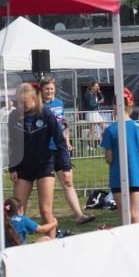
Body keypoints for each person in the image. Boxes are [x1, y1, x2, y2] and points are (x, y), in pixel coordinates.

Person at [7, 82, 68, 230]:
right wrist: (13, 168)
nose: (21, 105)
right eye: (18, 102)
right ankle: (18, 243)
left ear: (34, 98)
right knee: (17, 211)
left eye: (24, 102)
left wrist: (66, 167)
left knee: (45, 210)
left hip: (44, 164)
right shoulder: (14, 116)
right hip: (23, 166)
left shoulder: (46, 114)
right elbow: (13, 143)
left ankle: (51, 243)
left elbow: (60, 141)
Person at [40, 77, 96, 226]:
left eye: (51, 88)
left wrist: (67, 140)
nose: (49, 91)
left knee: (68, 180)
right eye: (46, 89)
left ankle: (79, 215)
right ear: (41, 90)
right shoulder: (37, 105)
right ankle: (49, 218)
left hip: (61, 147)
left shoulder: (59, 103)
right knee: (48, 184)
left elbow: (63, 124)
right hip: (45, 148)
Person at [101, 87, 139, 222]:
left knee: (124, 216)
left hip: (117, 177)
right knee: (135, 214)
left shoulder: (110, 130)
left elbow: (109, 159)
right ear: (130, 104)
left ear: (115, 105)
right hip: (134, 176)